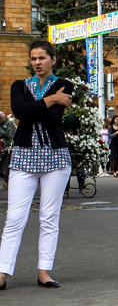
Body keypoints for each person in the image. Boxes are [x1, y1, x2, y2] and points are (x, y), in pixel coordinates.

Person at [0, 40, 75, 290]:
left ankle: (44, 272)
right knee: (14, 218)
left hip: (55, 159)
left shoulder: (65, 85)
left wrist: (46, 103)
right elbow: (20, 112)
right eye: (33, 58)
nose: (37, 63)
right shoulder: (19, 85)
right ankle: (2, 272)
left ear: (53, 59)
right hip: (24, 157)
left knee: (49, 217)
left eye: (42, 58)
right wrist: (53, 99)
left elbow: (52, 118)